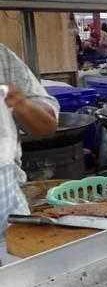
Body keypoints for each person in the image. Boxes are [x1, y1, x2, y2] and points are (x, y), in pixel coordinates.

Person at [0, 44, 59, 232]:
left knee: (18, 254)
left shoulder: (3, 58)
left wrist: (21, 104)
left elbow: (48, 124)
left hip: (5, 199)